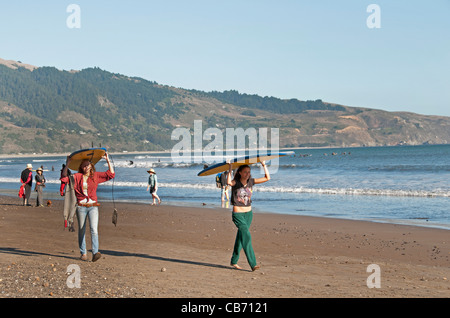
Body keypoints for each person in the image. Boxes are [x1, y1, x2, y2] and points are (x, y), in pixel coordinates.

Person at [60, 153, 115, 262]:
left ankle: (95, 252)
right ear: (81, 167)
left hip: (93, 206)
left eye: (87, 165)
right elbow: (64, 178)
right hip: (81, 207)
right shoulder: (77, 176)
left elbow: (111, 175)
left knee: (94, 230)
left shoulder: (96, 176)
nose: (86, 167)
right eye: (84, 166)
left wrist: (108, 161)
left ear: (91, 166)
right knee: (82, 230)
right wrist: (68, 163)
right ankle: (83, 253)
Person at [227, 161, 270, 271]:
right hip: (238, 214)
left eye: (249, 172)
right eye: (245, 172)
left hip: (249, 214)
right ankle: (253, 263)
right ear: (240, 173)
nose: (247, 174)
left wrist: (264, 165)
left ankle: (234, 261)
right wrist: (230, 168)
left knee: (241, 238)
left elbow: (267, 178)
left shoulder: (251, 182)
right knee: (246, 236)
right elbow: (228, 182)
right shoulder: (235, 182)